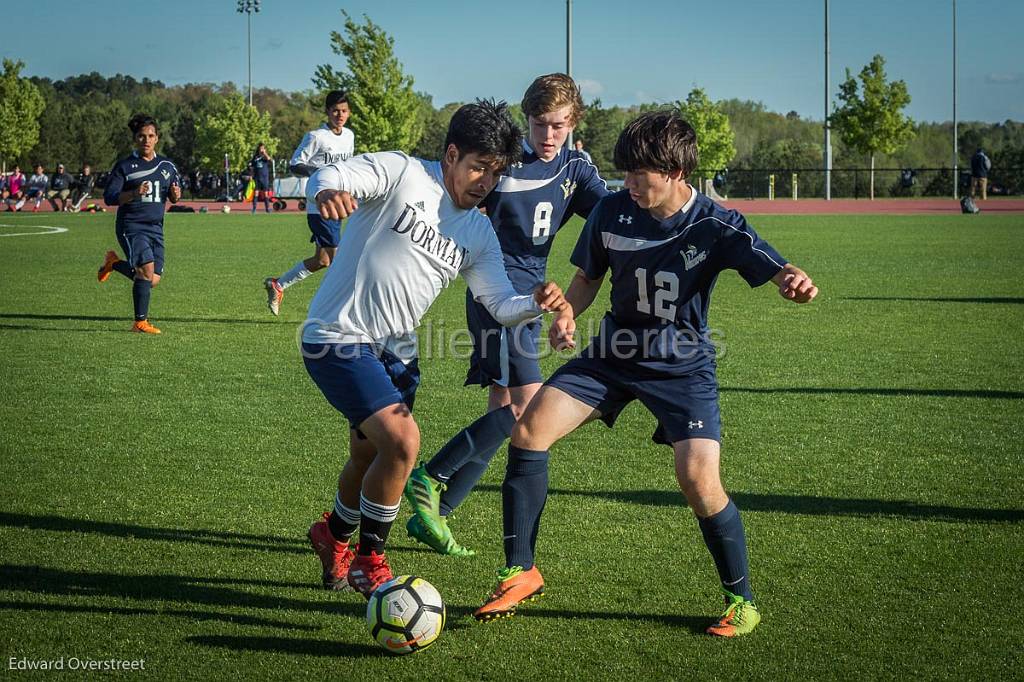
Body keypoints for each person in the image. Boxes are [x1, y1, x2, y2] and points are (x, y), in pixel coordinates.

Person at [472, 110, 818, 638]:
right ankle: (520, 571)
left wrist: (791, 279)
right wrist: (567, 312)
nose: (629, 184)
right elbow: (587, 279)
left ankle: (741, 600)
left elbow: (776, 268)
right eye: (626, 173)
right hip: (612, 354)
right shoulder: (612, 210)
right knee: (530, 428)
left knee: (699, 480)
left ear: (677, 171)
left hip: (682, 367)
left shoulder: (716, 223)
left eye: (641, 175)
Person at [300, 99, 568, 599]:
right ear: (450, 155)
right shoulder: (403, 172)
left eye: (496, 172)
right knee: (402, 442)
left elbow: (499, 303)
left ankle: (332, 533)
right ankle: (370, 561)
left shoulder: (478, 230)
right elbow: (334, 173)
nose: (485, 181)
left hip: (397, 354)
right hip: (338, 337)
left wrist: (534, 302)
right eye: (478, 167)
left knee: (368, 455)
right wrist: (329, 190)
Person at [403, 73, 609, 557]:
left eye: (558, 126)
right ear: (527, 120)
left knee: (504, 408)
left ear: (574, 123)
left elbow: (612, 215)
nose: (547, 136)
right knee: (530, 408)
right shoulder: (506, 161)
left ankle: (437, 512)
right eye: (539, 124)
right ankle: (430, 477)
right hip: (494, 289)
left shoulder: (576, 169)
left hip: (533, 293)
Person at [263, 90, 355, 315]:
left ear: (349, 113)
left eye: (343, 111)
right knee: (338, 263)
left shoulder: (349, 136)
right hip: (319, 206)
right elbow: (295, 164)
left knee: (322, 260)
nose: (339, 115)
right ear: (327, 112)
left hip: (338, 205)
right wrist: (321, 172)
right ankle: (335, 314)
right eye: (335, 110)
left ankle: (278, 284)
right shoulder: (316, 136)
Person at [97, 113, 181, 334]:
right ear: (135, 139)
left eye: (150, 136)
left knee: (151, 279)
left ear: (157, 138)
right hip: (131, 226)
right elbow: (109, 197)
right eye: (141, 136)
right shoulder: (125, 166)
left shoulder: (167, 166)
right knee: (145, 272)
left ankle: (113, 263)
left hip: (156, 227)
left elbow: (174, 197)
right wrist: (134, 193)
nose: (146, 140)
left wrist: (174, 194)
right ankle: (139, 323)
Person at [249, 143, 273, 214]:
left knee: (266, 194)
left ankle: (267, 209)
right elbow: (252, 166)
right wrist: (251, 175)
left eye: (263, 148)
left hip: (264, 177)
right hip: (257, 177)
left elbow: (269, 159)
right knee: (256, 193)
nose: (261, 149)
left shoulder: (265, 156)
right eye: (260, 148)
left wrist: (265, 153)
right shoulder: (255, 157)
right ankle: (254, 209)